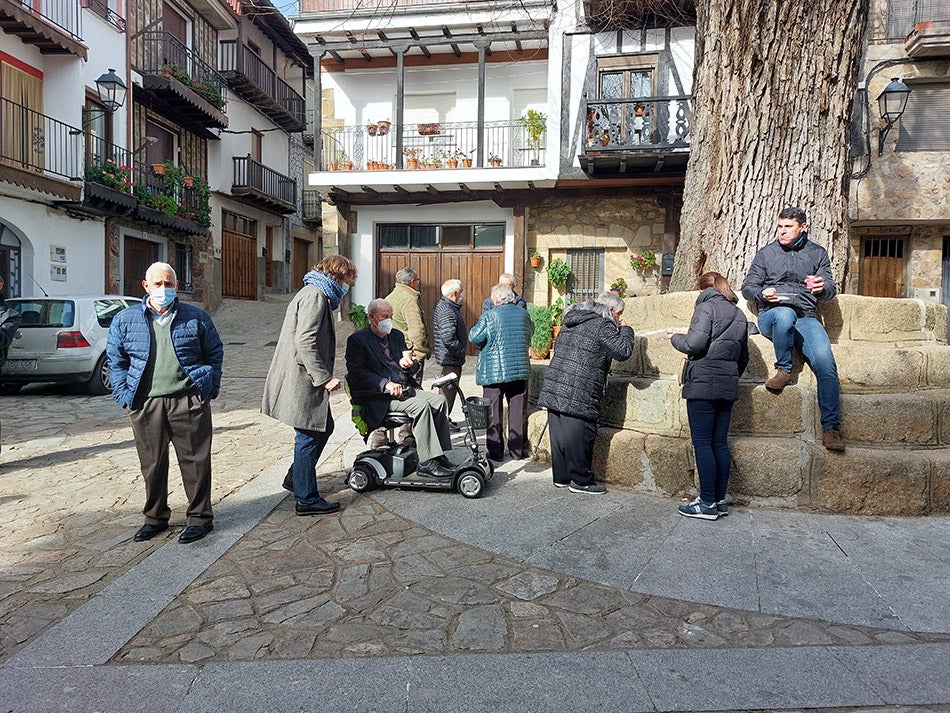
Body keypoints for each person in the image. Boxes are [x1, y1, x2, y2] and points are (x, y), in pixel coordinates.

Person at [107, 262, 224, 544]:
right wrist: (125, 396)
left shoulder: (196, 317)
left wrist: (208, 388)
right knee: (152, 464)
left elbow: (214, 352)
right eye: (157, 284)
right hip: (146, 404)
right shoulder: (125, 319)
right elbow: (116, 359)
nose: (163, 289)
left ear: (175, 287)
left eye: (168, 284)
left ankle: (199, 518)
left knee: (195, 462)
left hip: (188, 400)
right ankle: (155, 518)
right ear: (146, 287)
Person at [741, 206, 845, 452]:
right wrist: (761, 292)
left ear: (802, 227)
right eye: (780, 226)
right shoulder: (766, 254)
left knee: (826, 363)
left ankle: (831, 428)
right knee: (785, 314)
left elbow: (830, 289)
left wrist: (822, 287)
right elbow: (748, 287)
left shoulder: (817, 253)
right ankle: (783, 369)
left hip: (806, 317)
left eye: (788, 227)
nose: (782, 232)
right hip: (772, 315)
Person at [262, 255, 357, 516]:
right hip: (302, 380)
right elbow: (305, 342)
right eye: (347, 281)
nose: (347, 287)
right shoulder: (316, 296)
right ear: (338, 276)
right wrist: (324, 377)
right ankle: (306, 498)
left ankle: (296, 477)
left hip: (302, 378)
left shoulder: (314, 292)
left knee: (322, 428)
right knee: (308, 434)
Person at [668, 272, 749, 519]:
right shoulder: (739, 314)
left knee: (703, 443)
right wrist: (728, 376)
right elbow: (743, 358)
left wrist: (674, 338)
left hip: (702, 384)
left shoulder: (706, 309)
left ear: (703, 289)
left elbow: (694, 344)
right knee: (719, 443)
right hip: (726, 386)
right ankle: (719, 500)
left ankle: (706, 504)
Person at [345, 298, 456, 477]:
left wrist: (409, 363)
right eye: (384, 316)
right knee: (421, 406)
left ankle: (438, 455)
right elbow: (357, 373)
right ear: (372, 317)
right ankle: (427, 463)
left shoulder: (396, 335)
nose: (389, 320)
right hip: (379, 397)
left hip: (403, 389)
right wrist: (384, 384)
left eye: (391, 316)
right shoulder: (357, 340)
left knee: (439, 400)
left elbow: (412, 367)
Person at [538, 293, 634, 494]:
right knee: (581, 435)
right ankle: (582, 481)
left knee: (560, 437)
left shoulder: (572, 321)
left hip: (556, 385)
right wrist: (625, 330)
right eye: (619, 314)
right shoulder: (602, 324)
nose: (618, 318)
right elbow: (623, 351)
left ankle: (562, 477)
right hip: (580, 388)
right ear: (611, 311)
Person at [468, 283, 534, 461]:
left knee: (493, 413)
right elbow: (531, 333)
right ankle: (517, 451)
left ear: (496, 299)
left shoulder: (489, 316)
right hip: (519, 369)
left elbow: (474, 336)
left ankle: (496, 452)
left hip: (494, 372)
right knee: (518, 411)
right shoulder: (524, 314)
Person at [432, 278, 467, 425]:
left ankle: (444, 420)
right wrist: (461, 352)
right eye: (461, 293)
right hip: (450, 359)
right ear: (454, 294)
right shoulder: (447, 310)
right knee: (447, 394)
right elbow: (448, 338)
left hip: (451, 358)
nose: (462, 296)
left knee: (448, 393)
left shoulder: (449, 307)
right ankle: (441, 423)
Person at [385, 267, 430, 366]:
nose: (418, 283)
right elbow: (417, 331)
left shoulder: (389, 297)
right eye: (418, 280)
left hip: (392, 350)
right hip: (409, 354)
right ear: (412, 282)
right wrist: (419, 355)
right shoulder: (409, 301)